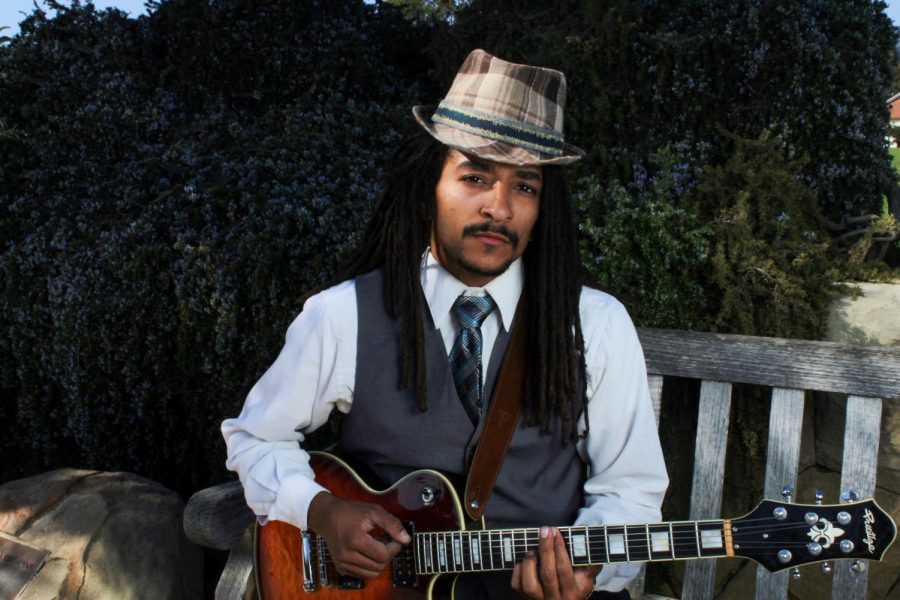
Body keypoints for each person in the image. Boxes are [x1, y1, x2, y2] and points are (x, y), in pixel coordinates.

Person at [222, 49, 668, 599]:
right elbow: (255, 439)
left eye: (524, 186)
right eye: (475, 176)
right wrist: (322, 510)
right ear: (428, 186)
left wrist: (589, 565)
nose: (499, 208)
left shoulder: (594, 325)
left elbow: (631, 492)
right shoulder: (343, 316)